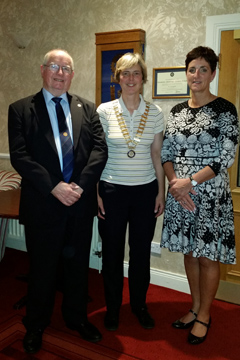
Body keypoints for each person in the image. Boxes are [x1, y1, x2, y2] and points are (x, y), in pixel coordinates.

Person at [8, 49, 108, 354]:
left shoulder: (87, 108)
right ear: (43, 70)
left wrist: (78, 186)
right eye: (55, 66)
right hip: (43, 204)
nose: (60, 73)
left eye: (66, 68)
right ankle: (35, 324)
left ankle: (76, 318)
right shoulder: (21, 109)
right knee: (42, 269)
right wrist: (55, 187)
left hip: (79, 203)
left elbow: (99, 150)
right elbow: (20, 156)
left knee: (78, 267)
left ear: (72, 75)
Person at [161, 46, 239, 345]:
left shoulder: (225, 109)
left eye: (203, 69)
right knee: (190, 253)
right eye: (192, 69)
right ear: (186, 73)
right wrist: (175, 183)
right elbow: (167, 152)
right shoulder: (178, 111)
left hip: (208, 194)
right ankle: (193, 308)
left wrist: (189, 182)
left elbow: (226, 157)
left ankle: (205, 314)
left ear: (213, 74)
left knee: (207, 257)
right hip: (180, 193)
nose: (197, 75)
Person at [97, 52, 165, 331]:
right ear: (118, 79)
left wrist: (161, 193)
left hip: (145, 193)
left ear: (143, 78)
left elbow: (157, 154)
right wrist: (96, 193)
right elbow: (96, 155)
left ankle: (139, 305)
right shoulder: (104, 111)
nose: (131, 78)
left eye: (136, 73)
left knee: (141, 254)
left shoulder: (156, 113)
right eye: (125, 73)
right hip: (111, 191)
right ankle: (112, 309)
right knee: (112, 254)